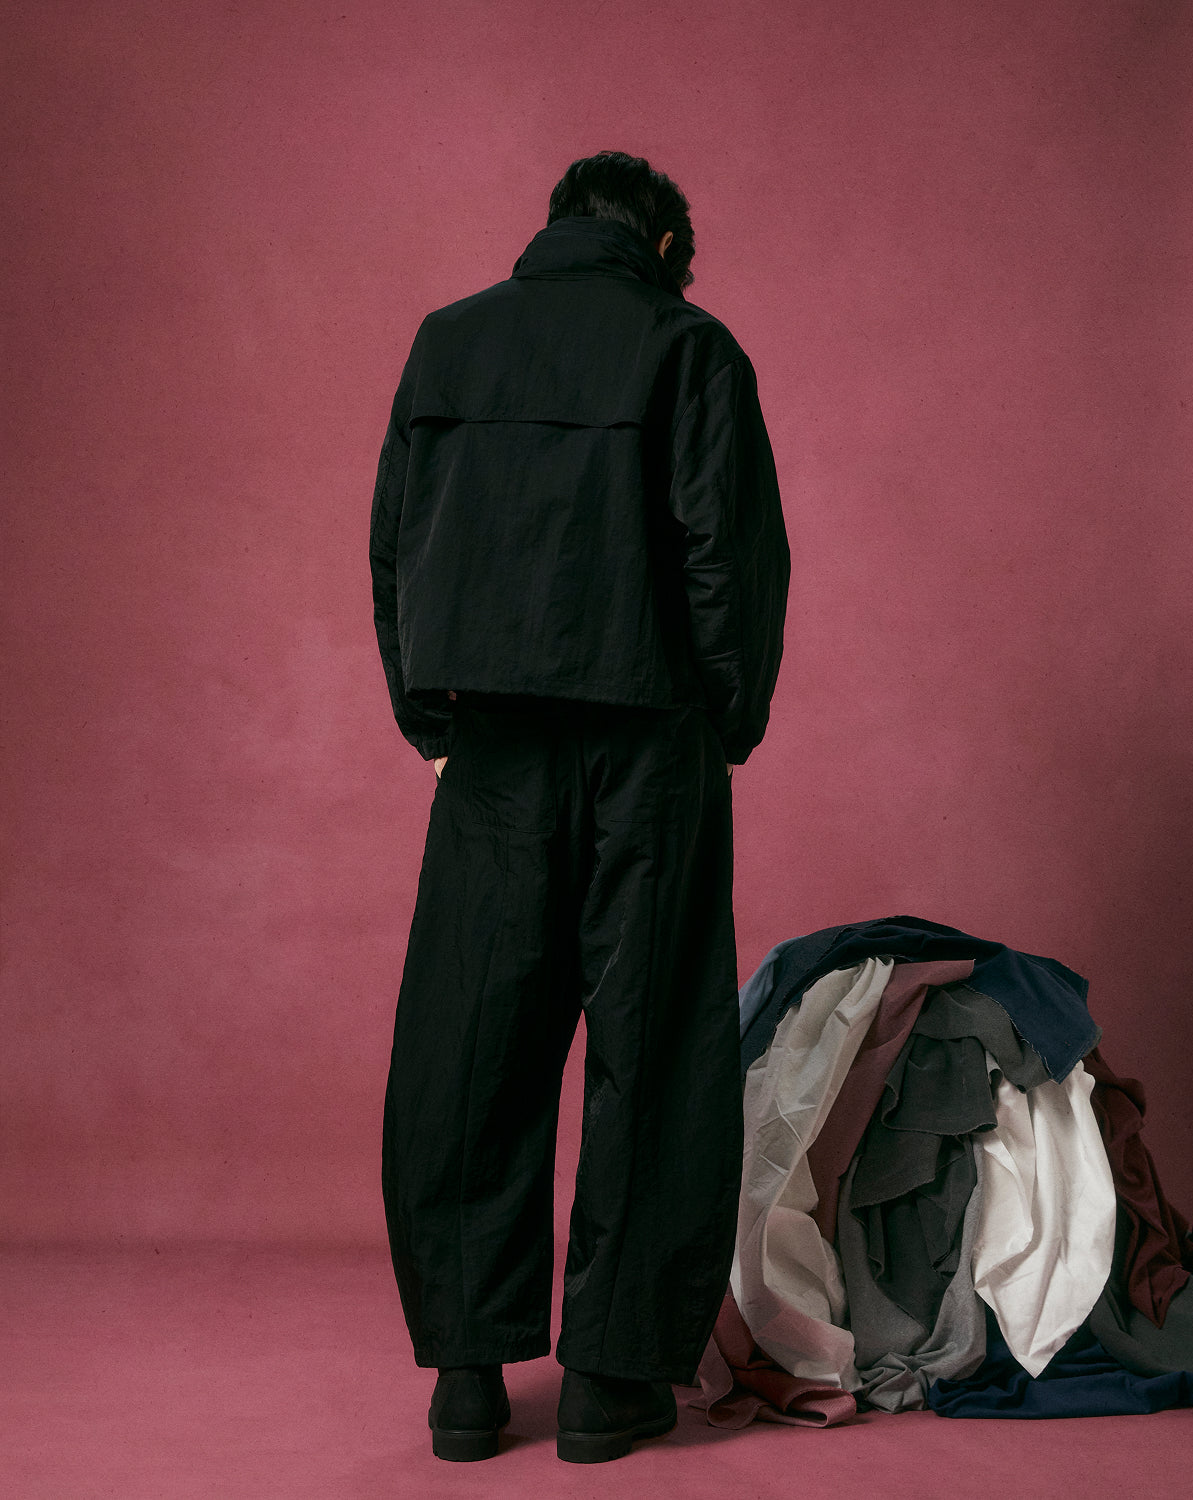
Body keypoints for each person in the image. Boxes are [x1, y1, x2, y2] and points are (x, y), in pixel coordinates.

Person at [369, 149, 791, 1463]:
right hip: (648, 736)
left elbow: (394, 542)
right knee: (654, 1052)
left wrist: (432, 721)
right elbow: (729, 555)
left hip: (492, 745)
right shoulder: (690, 349)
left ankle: (465, 1373)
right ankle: (611, 1385)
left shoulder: (448, 344)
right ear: (663, 246)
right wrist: (727, 720)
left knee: (469, 1044)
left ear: (551, 229)